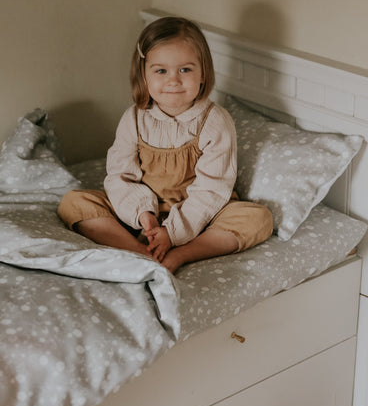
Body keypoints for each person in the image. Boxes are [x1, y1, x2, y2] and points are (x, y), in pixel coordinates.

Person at [58, 17, 273, 274]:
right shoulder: (135, 118)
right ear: (144, 74)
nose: (173, 81)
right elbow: (119, 176)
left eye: (185, 70)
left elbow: (212, 191)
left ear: (203, 73)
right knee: (73, 202)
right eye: (161, 71)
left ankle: (181, 255)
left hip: (200, 219)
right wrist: (144, 217)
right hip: (143, 217)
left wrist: (172, 233)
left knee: (258, 218)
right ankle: (141, 253)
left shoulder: (215, 121)